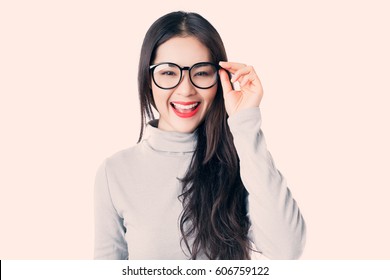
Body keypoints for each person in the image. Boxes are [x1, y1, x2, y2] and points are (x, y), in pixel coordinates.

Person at [94, 11, 306, 260]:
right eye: (168, 73)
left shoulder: (243, 161)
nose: (186, 90)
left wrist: (245, 123)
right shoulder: (115, 171)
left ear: (220, 79)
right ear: (148, 79)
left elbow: (287, 250)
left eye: (202, 73)